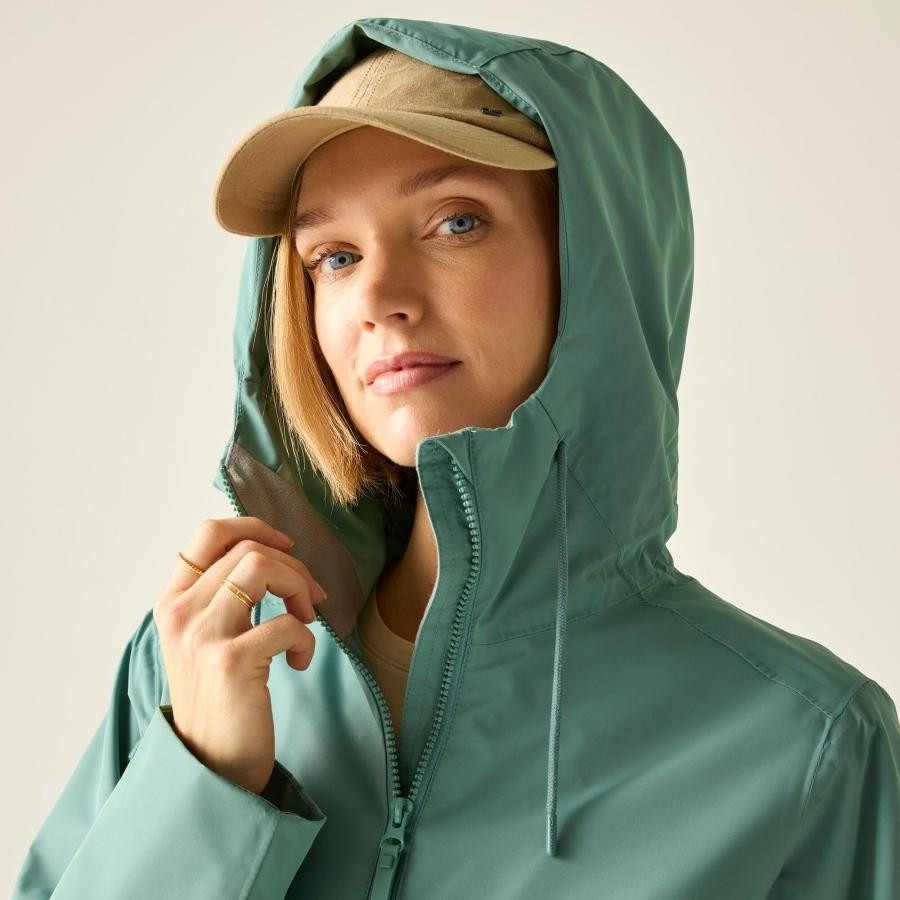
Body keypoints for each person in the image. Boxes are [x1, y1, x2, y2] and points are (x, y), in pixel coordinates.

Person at [13, 17, 900, 900]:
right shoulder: (199, 660)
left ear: (600, 261)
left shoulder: (805, 744)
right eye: (334, 256)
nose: (378, 297)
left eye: (456, 221)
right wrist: (203, 785)